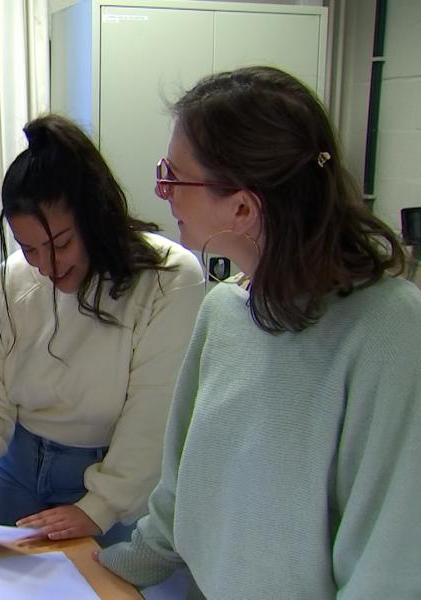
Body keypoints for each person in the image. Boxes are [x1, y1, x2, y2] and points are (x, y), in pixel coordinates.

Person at [97, 66, 421, 597]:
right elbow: (181, 496)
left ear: (243, 207)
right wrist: (90, 573)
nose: (161, 191)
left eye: (172, 176)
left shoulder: (390, 329)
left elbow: (387, 569)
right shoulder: (223, 311)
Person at [0, 114, 204, 545]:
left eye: (60, 244)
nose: (46, 265)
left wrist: (101, 506)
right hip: (19, 466)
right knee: (20, 579)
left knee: (105, 579)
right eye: (29, 248)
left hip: (119, 472)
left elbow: (155, 416)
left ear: (96, 217)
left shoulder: (170, 278)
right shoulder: (11, 283)